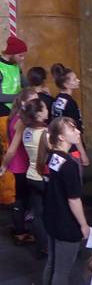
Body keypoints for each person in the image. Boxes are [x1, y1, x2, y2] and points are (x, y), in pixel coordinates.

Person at [41, 117, 90, 285]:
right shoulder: (69, 164)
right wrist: (83, 225)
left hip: (52, 218)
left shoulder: (53, 157)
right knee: (62, 270)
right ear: (61, 137)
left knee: (52, 264)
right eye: (72, 129)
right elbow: (74, 199)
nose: (78, 131)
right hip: (66, 223)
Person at [0, 87, 37, 243]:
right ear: (23, 103)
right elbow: (13, 148)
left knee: (22, 198)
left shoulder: (16, 116)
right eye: (33, 100)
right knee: (20, 199)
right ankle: (20, 232)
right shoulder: (20, 121)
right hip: (20, 166)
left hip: (19, 165)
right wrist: (4, 166)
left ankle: (20, 228)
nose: (37, 103)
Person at [20, 97, 49, 258]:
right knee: (51, 212)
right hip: (43, 178)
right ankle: (50, 246)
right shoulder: (45, 133)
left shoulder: (27, 131)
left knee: (37, 214)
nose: (47, 109)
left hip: (30, 176)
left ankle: (41, 246)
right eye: (44, 108)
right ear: (38, 114)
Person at [0, 35, 27, 204]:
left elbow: (24, 84)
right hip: (3, 115)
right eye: (21, 55)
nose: (23, 58)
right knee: (7, 153)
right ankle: (7, 196)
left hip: (15, 114)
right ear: (11, 53)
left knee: (15, 153)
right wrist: (18, 97)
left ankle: (16, 192)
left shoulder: (16, 66)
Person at [50, 62, 90, 166]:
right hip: (71, 147)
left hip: (59, 145)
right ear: (66, 84)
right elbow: (75, 129)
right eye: (74, 79)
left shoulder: (57, 100)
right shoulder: (70, 103)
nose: (78, 80)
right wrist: (83, 154)